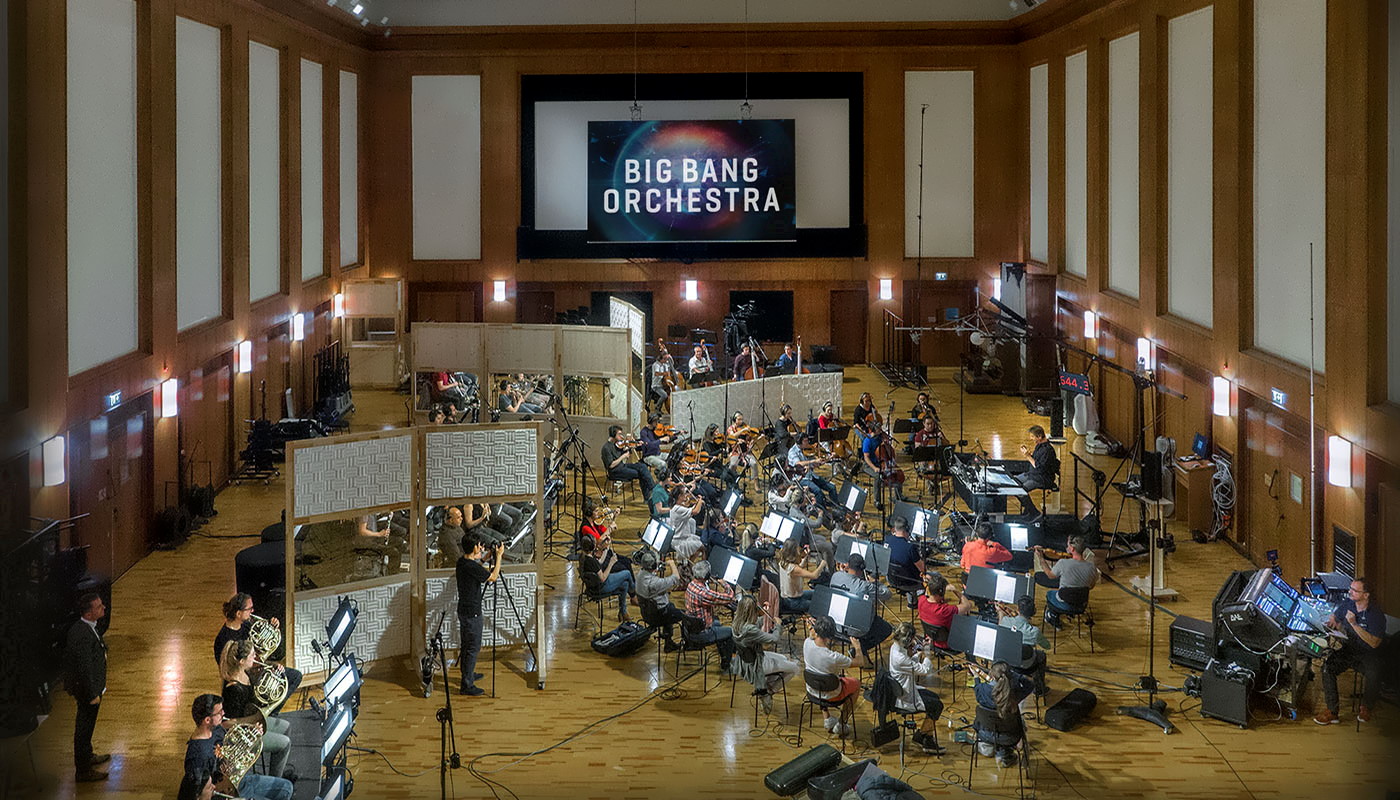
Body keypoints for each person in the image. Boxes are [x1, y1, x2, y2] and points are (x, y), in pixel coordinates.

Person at [184, 694, 293, 800]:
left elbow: (229, 748)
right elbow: (200, 792)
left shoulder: (215, 729)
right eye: (219, 712)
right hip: (228, 791)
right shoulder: (197, 756)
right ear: (207, 720)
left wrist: (252, 735)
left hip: (241, 780)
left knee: (287, 788)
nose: (223, 713)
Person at [1314, 578, 1386, 725]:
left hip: (1368, 653)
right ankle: (1332, 711)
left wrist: (1354, 624)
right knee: (1328, 667)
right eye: (1350, 589)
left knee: (1375, 673)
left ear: (1366, 595)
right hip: (1349, 649)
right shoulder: (1348, 604)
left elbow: (1374, 643)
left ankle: (1367, 707)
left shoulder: (1376, 615)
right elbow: (1336, 615)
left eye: (1354, 590)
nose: (1350, 592)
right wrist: (1333, 620)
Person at [214, 593, 302, 713]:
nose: (253, 611)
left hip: (253, 665)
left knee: (294, 676)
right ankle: (265, 714)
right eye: (249, 609)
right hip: (241, 675)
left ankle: (271, 712)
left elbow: (259, 647)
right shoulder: (223, 639)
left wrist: (272, 626)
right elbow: (227, 668)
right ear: (238, 613)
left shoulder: (246, 624)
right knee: (276, 680)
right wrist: (263, 667)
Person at [219, 640, 292, 781]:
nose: (255, 657)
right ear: (241, 661)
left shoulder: (245, 673)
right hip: (242, 734)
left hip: (253, 721)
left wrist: (275, 670)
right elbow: (225, 724)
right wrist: (253, 720)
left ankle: (277, 773)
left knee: (286, 726)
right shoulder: (232, 689)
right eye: (252, 655)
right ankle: (275, 782)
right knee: (285, 743)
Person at [64, 592, 109, 782]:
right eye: (99, 607)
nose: (104, 607)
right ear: (89, 613)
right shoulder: (82, 634)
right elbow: (84, 668)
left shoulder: (89, 627)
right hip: (87, 692)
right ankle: (83, 770)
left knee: (88, 726)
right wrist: (92, 694)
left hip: (93, 688)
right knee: (83, 728)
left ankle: (87, 756)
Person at [730, 596, 801, 713]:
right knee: (794, 668)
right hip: (756, 665)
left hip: (744, 661)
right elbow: (774, 639)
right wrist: (778, 625)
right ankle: (768, 692)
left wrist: (765, 610)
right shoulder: (751, 630)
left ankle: (765, 685)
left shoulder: (736, 623)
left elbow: (756, 623)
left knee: (783, 658)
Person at [456, 530, 503, 696]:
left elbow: (476, 567)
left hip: (464, 610)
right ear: (475, 547)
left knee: (466, 645)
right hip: (472, 613)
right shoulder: (469, 566)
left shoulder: (462, 562)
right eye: (480, 545)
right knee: (472, 648)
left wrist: (485, 557)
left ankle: (468, 674)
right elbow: (493, 577)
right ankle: (466, 685)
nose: (481, 547)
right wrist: (499, 558)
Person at [887, 622, 946, 755]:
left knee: (935, 699)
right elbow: (925, 670)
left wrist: (918, 654)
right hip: (906, 697)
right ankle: (924, 737)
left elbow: (909, 663)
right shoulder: (900, 658)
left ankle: (924, 736)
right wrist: (926, 654)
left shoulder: (895, 647)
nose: (913, 642)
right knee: (937, 705)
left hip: (906, 688)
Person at [829, 553, 894, 663]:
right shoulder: (864, 586)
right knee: (886, 629)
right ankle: (859, 648)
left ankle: (859, 648)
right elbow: (887, 594)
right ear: (862, 568)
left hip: (835, 624)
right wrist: (874, 582)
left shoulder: (836, 576)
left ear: (847, 565)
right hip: (855, 629)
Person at [803, 615, 860, 738]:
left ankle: (827, 719)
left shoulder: (806, 643)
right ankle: (841, 724)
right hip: (832, 694)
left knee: (821, 679)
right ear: (830, 636)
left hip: (812, 690)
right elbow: (860, 662)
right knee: (856, 683)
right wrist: (858, 648)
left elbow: (811, 635)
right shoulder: (833, 657)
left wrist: (812, 626)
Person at [972, 661, 1034, 767]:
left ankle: (993, 747)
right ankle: (1005, 753)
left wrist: (976, 677)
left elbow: (977, 688)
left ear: (991, 674)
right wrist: (1015, 674)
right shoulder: (1014, 693)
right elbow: (1030, 685)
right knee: (1016, 723)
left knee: (993, 721)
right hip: (1010, 737)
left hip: (985, 733)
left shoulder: (982, 690)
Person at [1034, 536, 1098, 629]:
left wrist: (1041, 558)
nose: (1066, 547)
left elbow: (1050, 575)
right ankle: (1068, 614)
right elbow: (1091, 586)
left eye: (1067, 545)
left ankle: (1053, 616)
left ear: (1072, 548)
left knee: (1050, 593)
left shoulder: (1063, 563)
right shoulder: (1092, 567)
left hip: (1064, 603)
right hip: (1081, 604)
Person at [684, 561, 737, 669]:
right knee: (731, 632)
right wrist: (725, 584)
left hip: (691, 628)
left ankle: (723, 652)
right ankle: (726, 664)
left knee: (717, 622)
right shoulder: (704, 594)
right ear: (707, 576)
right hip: (702, 633)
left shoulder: (691, 585)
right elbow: (730, 597)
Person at [998, 596, 1050, 696]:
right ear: (1033, 612)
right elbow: (1047, 646)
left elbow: (1000, 627)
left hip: (1008, 661)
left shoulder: (1005, 621)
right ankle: (1039, 689)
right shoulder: (1034, 632)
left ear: (1018, 609)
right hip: (1026, 664)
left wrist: (1001, 613)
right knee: (1042, 655)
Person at [636, 549, 686, 651]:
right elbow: (676, 577)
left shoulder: (640, 574)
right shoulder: (655, 583)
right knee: (686, 615)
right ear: (653, 566)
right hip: (658, 616)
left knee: (671, 606)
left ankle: (668, 642)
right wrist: (672, 564)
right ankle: (688, 643)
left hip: (646, 613)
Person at [578, 533, 634, 622]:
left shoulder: (583, 557)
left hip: (591, 587)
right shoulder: (591, 561)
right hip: (600, 588)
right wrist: (611, 563)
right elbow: (603, 578)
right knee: (627, 573)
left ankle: (623, 612)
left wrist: (606, 550)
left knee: (625, 584)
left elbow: (599, 563)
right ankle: (634, 592)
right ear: (592, 546)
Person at [917, 572, 974, 647]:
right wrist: (955, 591)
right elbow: (968, 605)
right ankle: (970, 657)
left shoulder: (921, 600)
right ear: (941, 593)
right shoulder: (945, 610)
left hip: (932, 638)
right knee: (971, 626)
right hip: (948, 643)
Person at [786, 433, 840, 507]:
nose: (808, 443)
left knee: (832, 487)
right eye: (806, 441)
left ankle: (836, 507)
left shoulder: (804, 450)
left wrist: (828, 459)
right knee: (818, 491)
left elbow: (813, 465)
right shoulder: (792, 452)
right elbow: (798, 464)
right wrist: (813, 461)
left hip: (811, 475)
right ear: (799, 441)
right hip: (801, 478)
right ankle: (820, 510)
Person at [602, 425, 656, 496]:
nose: (621, 436)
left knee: (642, 466)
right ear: (613, 434)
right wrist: (623, 456)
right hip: (615, 472)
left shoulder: (616, 444)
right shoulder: (606, 448)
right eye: (619, 434)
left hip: (622, 467)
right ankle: (651, 493)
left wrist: (634, 446)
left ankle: (652, 490)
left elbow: (623, 449)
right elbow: (611, 465)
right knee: (641, 474)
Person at [775, 538, 825, 615]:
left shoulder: (783, 561)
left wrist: (806, 557)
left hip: (788, 598)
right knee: (819, 605)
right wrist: (822, 564)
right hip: (794, 602)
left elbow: (799, 568)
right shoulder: (793, 568)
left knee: (818, 593)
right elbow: (814, 576)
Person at [667, 487, 707, 561]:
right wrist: (700, 501)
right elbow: (696, 511)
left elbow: (691, 509)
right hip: (680, 541)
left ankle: (689, 566)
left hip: (683, 537)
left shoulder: (676, 507)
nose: (686, 495)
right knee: (704, 549)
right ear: (679, 496)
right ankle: (703, 568)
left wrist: (697, 503)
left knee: (699, 547)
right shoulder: (678, 509)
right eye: (684, 494)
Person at [885, 515, 924, 591]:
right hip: (911, 583)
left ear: (894, 528)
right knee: (936, 576)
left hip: (892, 580)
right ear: (907, 529)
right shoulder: (910, 547)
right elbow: (922, 569)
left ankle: (912, 600)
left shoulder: (887, 541)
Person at [1016, 425, 1059, 491]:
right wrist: (1030, 454)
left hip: (1041, 479)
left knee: (1020, 491)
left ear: (1039, 436)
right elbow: (1037, 460)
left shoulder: (1047, 450)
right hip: (1032, 474)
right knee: (1012, 481)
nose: (1031, 438)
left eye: (1032, 436)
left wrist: (1028, 456)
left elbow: (1040, 468)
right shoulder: (1039, 446)